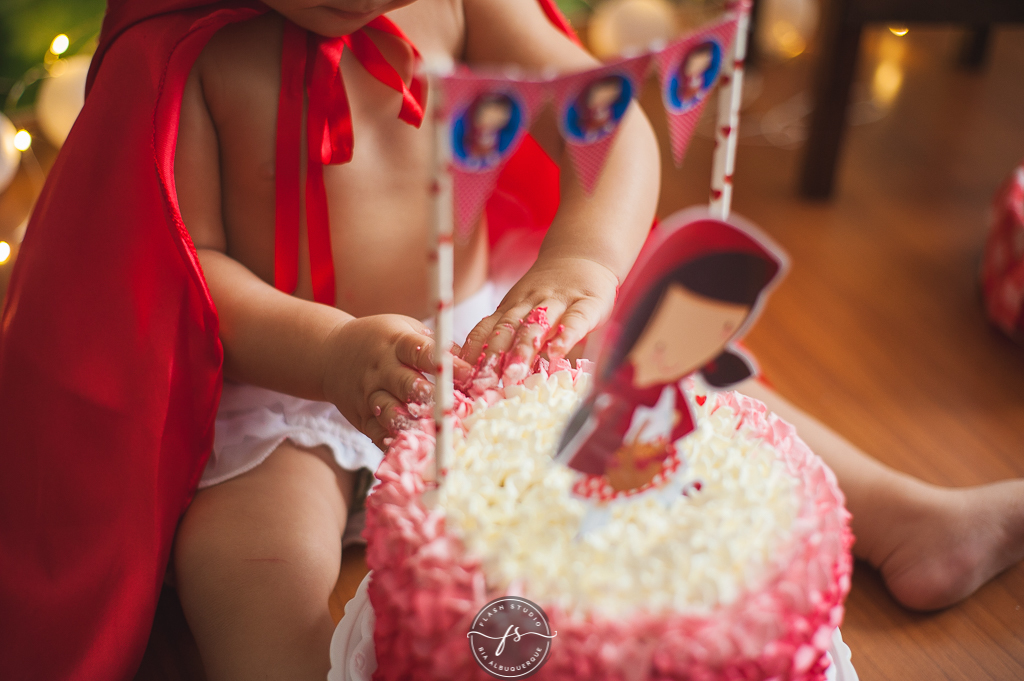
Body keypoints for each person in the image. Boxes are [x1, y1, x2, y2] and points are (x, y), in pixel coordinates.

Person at [557, 217, 784, 498]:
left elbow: (675, 443)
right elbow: (585, 454)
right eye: (663, 342)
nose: (681, 355)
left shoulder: (674, 397)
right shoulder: (613, 397)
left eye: (714, 338)